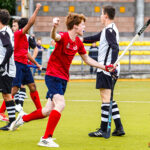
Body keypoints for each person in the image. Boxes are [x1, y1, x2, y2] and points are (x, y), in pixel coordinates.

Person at [10, 13, 115, 147]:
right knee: (60, 104)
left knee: (47, 111)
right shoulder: (63, 36)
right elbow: (54, 36)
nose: (84, 27)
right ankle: (46, 138)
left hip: (63, 78)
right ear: (75, 26)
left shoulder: (78, 42)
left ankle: (22, 119)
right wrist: (53, 27)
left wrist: (105, 67)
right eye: (83, 25)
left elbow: (87, 59)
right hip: (53, 75)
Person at [83, 5, 125, 137]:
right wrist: (77, 39)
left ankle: (103, 129)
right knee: (109, 98)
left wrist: (111, 64)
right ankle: (119, 127)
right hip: (109, 68)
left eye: (101, 14)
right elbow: (93, 38)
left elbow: (115, 47)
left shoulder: (109, 30)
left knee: (105, 98)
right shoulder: (108, 30)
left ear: (106, 15)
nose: (100, 16)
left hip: (106, 69)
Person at [0, 3, 42, 130]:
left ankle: (39, 110)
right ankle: (2, 112)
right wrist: (36, 9)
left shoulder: (26, 37)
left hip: (23, 64)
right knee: (12, 90)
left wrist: (36, 63)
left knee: (31, 86)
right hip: (17, 64)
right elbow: (31, 23)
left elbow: (26, 52)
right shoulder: (18, 34)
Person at [0, 9, 16, 130]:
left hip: (4, 69)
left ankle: (12, 122)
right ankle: (12, 122)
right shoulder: (7, 31)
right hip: (7, 68)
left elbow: (10, 49)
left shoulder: (3, 32)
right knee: (6, 94)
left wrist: (2, 65)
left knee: (6, 95)